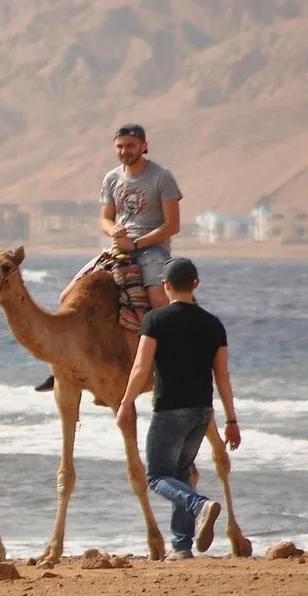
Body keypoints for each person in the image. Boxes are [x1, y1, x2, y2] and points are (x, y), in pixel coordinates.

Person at [35, 122, 183, 392]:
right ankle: (62, 369)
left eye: (130, 146)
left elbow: (172, 225)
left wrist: (136, 243)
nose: (125, 151)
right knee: (67, 296)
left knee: (158, 300)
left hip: (152, 248)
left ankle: (171, 362)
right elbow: (105, 218)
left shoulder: (162, 177)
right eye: (120, 147)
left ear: (143, 146)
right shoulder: (112, 178)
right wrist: (113, 230)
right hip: (117, 248)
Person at [115, 257, 241, 560]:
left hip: (170, 409)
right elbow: (222, 376)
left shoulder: (155, 321)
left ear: (165, 286)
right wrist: (231, 420)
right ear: (196, 284)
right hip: (202, 412)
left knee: (157, 477)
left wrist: (125, 403)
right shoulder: (214, 325)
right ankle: (182, 546)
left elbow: (141, 368)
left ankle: (199, 506)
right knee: (181, 474)